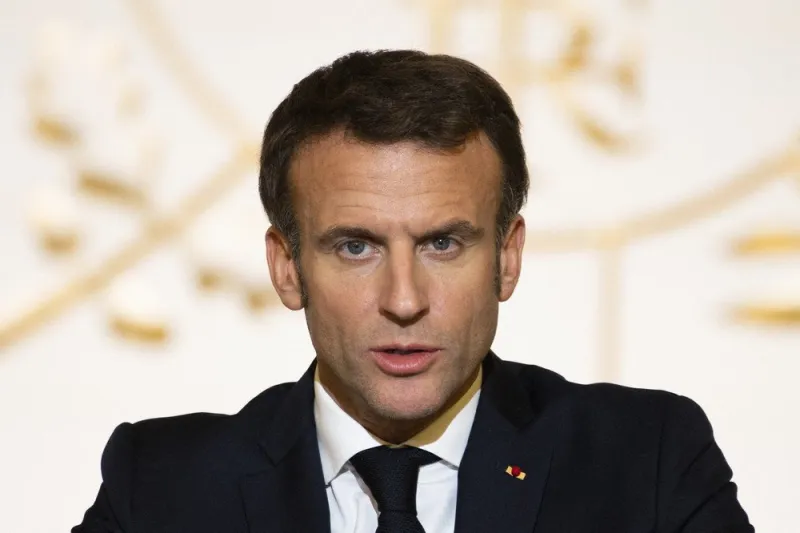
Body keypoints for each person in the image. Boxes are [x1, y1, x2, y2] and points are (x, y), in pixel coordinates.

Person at [73, 50, 753, 533]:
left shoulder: (646, 461)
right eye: (355, 246)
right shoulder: (161, 487)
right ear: (286, 267)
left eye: (443, 243)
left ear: (508, 258)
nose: (404, 298)